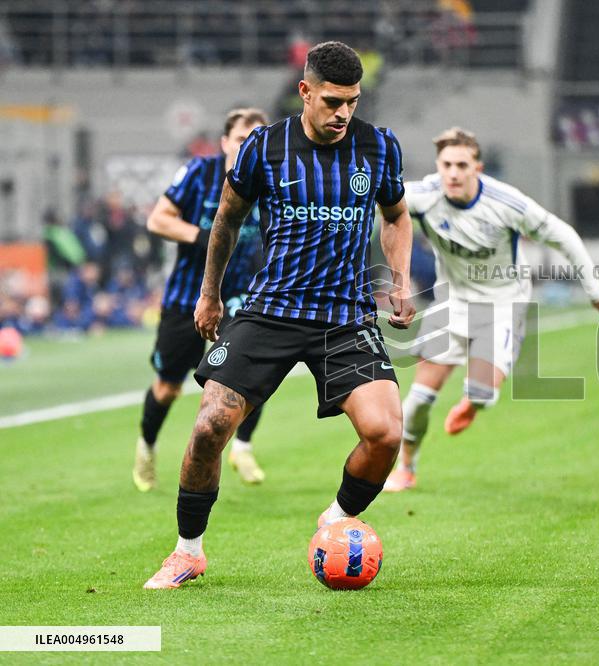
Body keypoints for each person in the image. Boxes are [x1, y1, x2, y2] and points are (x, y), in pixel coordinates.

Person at [143, 41, 416, 589]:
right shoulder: (264, 148)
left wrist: (400, 280)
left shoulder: (379, 146)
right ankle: (187, 552)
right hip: (271, 310)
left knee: (386, 434)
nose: (343, 114)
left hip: (344, 316)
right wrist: (210, 296)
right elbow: (225, 221)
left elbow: (396, 215)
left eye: (353, 102)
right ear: (306, 92)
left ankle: (337, 521)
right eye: (334, 101)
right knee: (208, 427)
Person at [383, 127, 599, 493]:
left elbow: (562, 234)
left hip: (501, 307)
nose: (453, 173)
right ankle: (407, 469)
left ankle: (473, 403)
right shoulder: (423, 196)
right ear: (438, 166)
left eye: (462, 164)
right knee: (416, 402)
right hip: (451, 304)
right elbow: (381, 209)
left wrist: (594, 288)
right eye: (446, 164)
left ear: (477, 167)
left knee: (482, 395)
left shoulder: (506, 203)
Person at [134, 108, 270, 492]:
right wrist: (206, 237)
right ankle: (146, 446)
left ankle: (242, 446)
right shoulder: (200, 173)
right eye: (243, 139)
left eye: (257, 140)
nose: (249, 147)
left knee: (251, 377)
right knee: (168, 387)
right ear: (226, 142)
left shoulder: (272, 179)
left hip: (242, 297)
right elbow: (158, 220)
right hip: (186, 297)